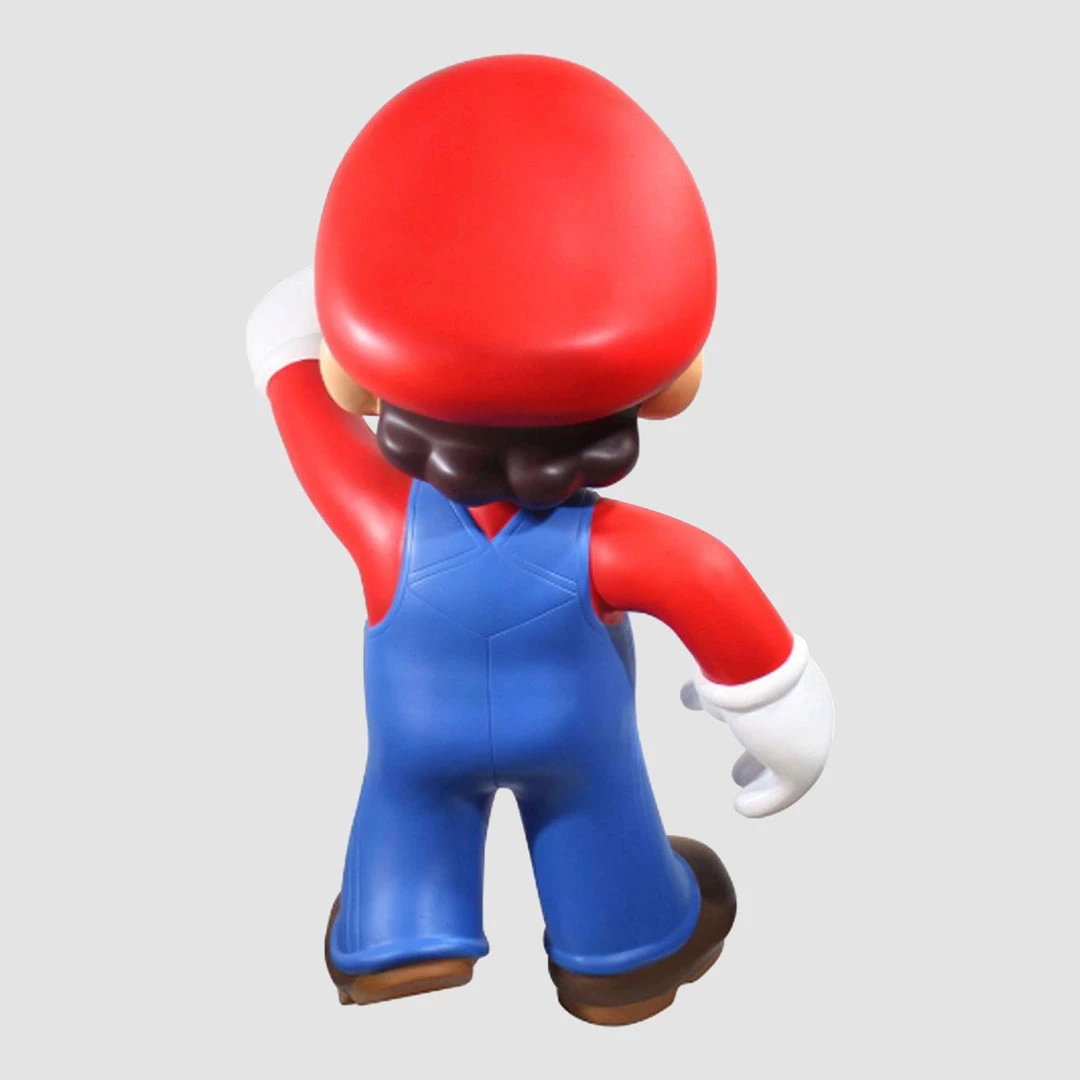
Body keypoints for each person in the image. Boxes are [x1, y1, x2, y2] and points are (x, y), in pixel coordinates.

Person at [246, 55, 834, 1026]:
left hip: (415, 737)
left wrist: (302, 326)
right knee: (604, 820)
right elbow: (710, 580)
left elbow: (302, 402)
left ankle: (400, 927)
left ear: (365, 381)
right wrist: (789, 732)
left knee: (404, 799)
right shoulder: (611, 544)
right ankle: (624, 951)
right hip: (579, 739)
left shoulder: (380, 520)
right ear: (665, 388)